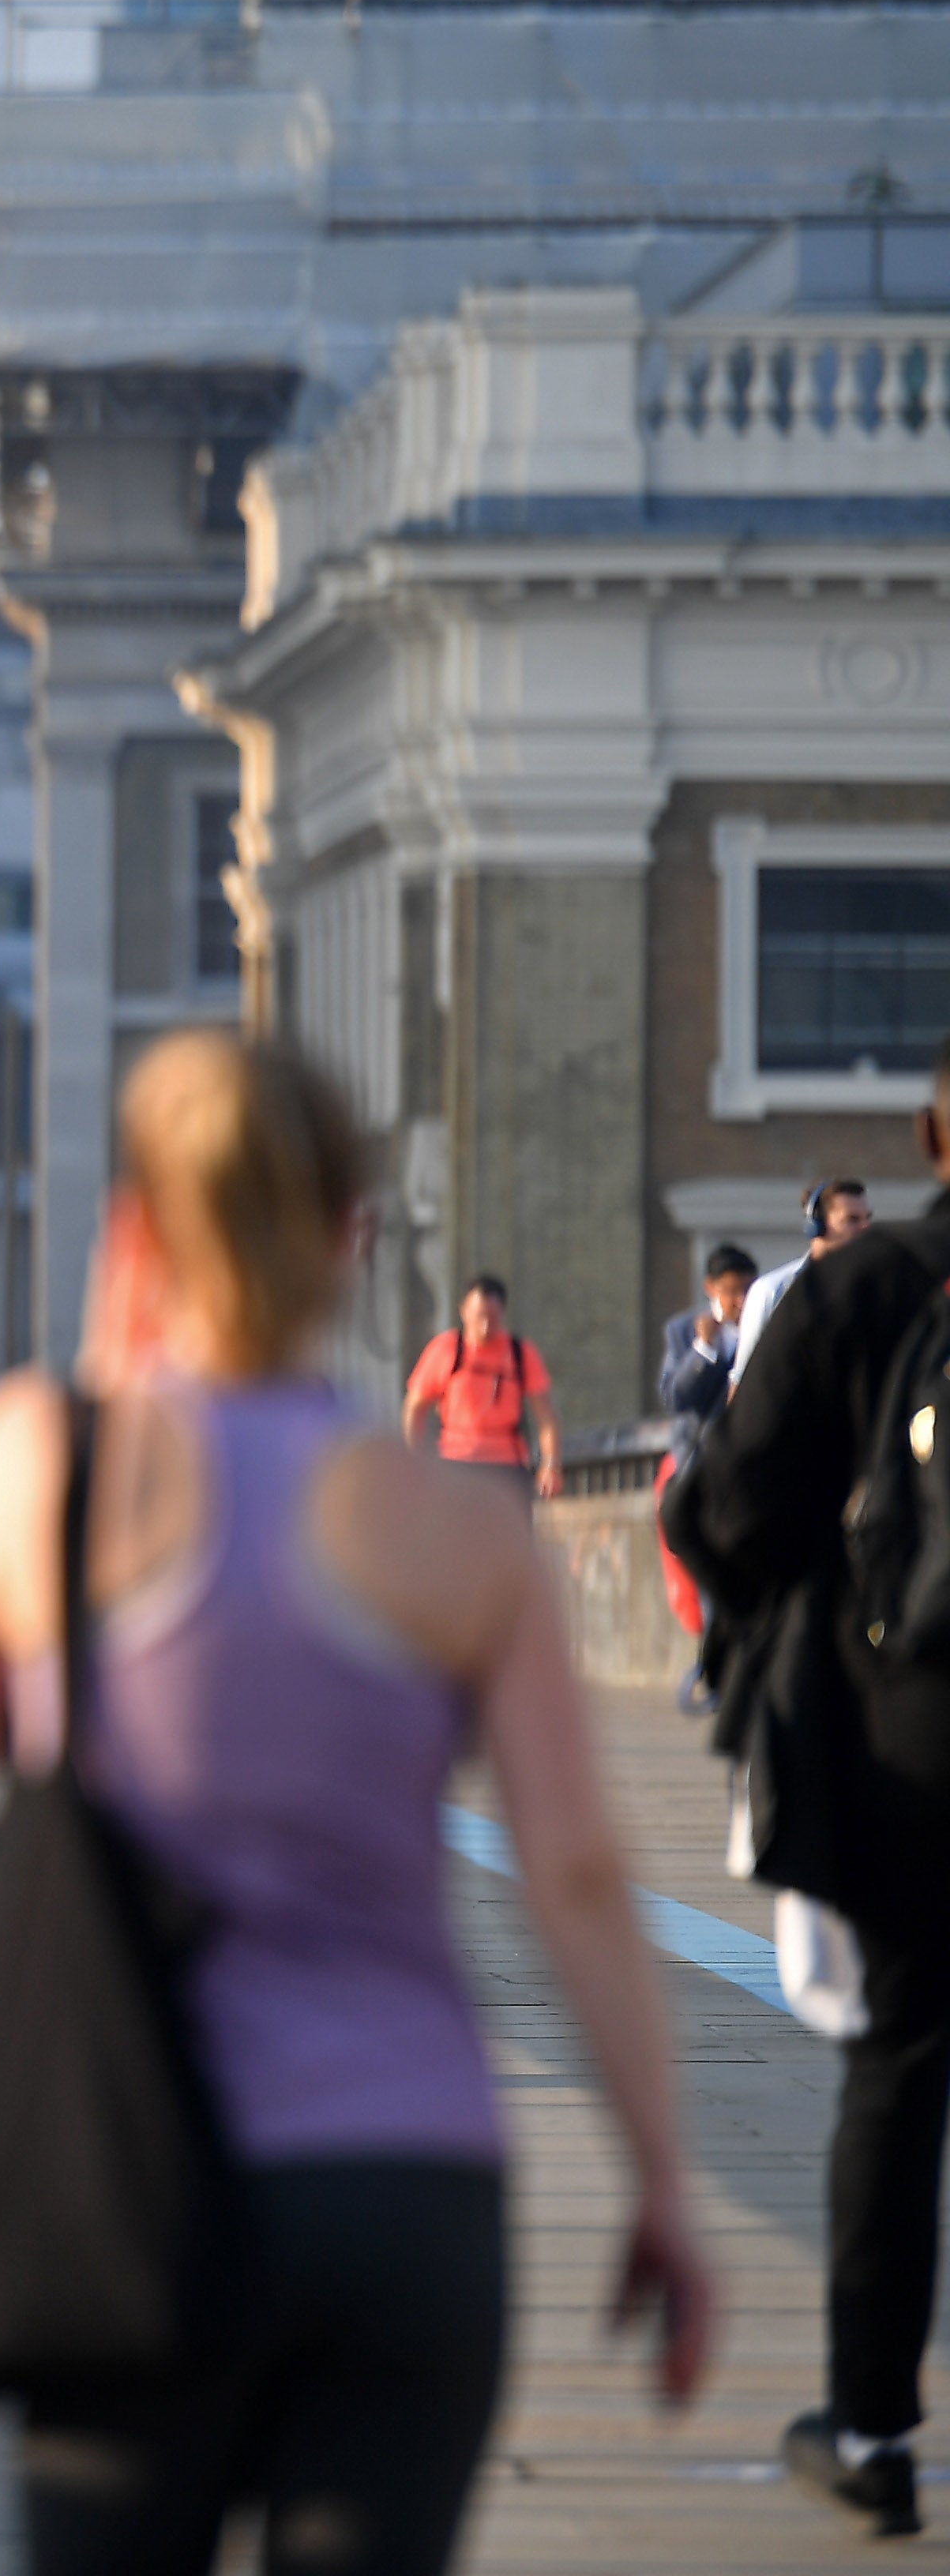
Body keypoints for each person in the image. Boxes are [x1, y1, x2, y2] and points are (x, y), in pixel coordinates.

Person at [0, 1027, 708, 2574]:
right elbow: (580, 1869)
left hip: (135, 2182)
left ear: (136, 1230)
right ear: (351, 1231)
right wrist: (662, 2178)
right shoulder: (461, 1531)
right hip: (410, 2187)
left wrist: (86, 1389)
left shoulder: (43, 1455)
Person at [669, 1046, 950, 2533]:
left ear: (926, 1133)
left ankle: (870, 2429)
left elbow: (720, 1511)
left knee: (898, 2069)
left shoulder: (860, 1287)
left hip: (901, 1741)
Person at [402, 1275, 561, 1499]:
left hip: (507, 1466)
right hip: (456, 1464)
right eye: (480, 1318)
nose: (486, 1326)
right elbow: (415, 1407)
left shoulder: (520, 1354)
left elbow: (546, 1416)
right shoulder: (446, 1350)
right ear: (464, 1311)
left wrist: (551, 1464)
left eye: (493, 1318)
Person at [738, 1179, 877, 1394]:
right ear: (817, 1226)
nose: (865, 1228)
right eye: (852, 1220)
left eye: (867, 1218)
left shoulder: (878, 1289)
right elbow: (743, 1382)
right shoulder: (773, 1291)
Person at [664, 1244, 758, 1448]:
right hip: (700, 1454)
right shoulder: (683, 1330)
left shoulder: (763, 1326)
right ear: (710, 1287)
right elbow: (676, 1399)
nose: (741, 1302)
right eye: (732, 1292)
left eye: (747, 1291)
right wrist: (704, 1349)